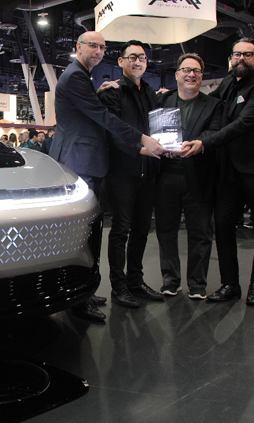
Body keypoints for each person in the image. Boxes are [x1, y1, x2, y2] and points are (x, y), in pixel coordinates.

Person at [49, 31, 165, 323]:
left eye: (102, 47)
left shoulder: (81, 76)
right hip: (81, 160)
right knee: (81, 236)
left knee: (86, 234)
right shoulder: (76, 76)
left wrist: (96, 91)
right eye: (93, 46)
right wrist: (141, 139)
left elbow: (88, 108)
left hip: (87, 161)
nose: (98, 51)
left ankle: (83, 293)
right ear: (78, 47)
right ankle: (78, 299)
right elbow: (103, 116)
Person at [179, 37, 254, 306]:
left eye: (247, 54)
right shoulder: (227, 82)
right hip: (229, 171)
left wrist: (204, 143)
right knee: (223, 227)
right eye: (237, 54)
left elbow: (241, 125)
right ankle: (230, 284)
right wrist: (178, 92)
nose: (241, 59)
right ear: (231, 58)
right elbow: (207, 103)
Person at [97, 40, 166, 308]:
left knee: (142, 229)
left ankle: (136, 281)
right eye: (133, 57)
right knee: (121, 230)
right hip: (122, 173)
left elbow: (159, 128)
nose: (138, 62)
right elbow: (114, 133)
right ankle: (119, 285)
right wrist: (144, 150)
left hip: (148, 173)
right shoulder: (112, 93)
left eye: (142, 58)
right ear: (121, 61)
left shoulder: (150, 93)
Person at [155, 53, 223, 300]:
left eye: (196, 71)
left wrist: (200, 143)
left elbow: (215, 132)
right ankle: (170, 281)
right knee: (165, 231)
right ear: (176, 74)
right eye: (186, 70)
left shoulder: (214, 105)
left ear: (202, 76)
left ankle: (197, 284)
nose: (190, 74)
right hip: (166, 176)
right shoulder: (161, 101)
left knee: (201, 233)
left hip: (200, 176)